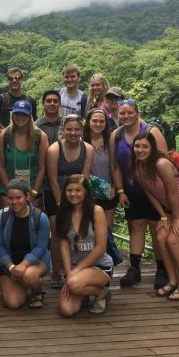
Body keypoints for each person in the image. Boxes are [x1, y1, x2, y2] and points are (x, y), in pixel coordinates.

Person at [132, 129, 179, 301]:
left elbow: (172, 192)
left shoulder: (161, 164)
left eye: (145, 147)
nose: (140, 150)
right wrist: (163, 217)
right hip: (171, 207)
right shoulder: (137, 166)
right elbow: (150, 192)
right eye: (137, 146)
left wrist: (175, 219)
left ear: (152, 148)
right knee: (160, 237)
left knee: (173, 240)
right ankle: (172, 280)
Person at [110, 99, 169, 290]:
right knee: (135, 227)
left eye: (129, 113)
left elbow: (164, 161)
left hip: (154, 190)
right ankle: (134, 268)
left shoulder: (151, 132)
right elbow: (115, 166)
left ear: (137, 113)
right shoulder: (116, 135)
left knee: (155, 228)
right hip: (131, 191)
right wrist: (120, 190)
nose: (125, 116)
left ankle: (162, 268)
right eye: (122, 113)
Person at [45, 114, 94, 288]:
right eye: (69, 129)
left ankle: (74, 270)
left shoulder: (87, 148)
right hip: (56, 194)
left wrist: (78, 201)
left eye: (76, 129)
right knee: (58, 234)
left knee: (79, 233)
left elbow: (85, 177)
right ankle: (56, 272)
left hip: (78, 194)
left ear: (81, 130)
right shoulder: (54, 149)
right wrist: (61, 204)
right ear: (63, 130)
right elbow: (52, 178)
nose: (73, 133)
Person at [54, 174, 113, 317]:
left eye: (78, 190)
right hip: (75, 269)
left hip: (99, 266)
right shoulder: (63, 212)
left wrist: (74, 274)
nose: (73, 194)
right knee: (66, 310)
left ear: (86, 191)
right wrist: (69, 273)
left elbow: (100, 248)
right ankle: (83, 290)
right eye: (69, 190)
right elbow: (64, 244)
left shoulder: (96, 211)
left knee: (74, 284)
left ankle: (101, 293)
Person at [0, 179, 51, 309]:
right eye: (11, 198)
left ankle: (36, 290)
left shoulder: (40, 218)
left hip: (36, 261)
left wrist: (24, 264)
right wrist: (11, 267)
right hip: (10, 263)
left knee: (29, 276)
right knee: (13, 303)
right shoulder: (0, 217)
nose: (14, 202)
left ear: (27, 196)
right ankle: (22, 283)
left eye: (19, 197)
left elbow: (41, 247)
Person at [0, 99, 48, 201]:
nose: (20, 117)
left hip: (33, 190)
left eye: (24, 114)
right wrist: (10, 191)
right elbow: (0, 166)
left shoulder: (40, 136)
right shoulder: (4, 136)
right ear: (12, 115)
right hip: (8, 192)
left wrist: (34, 193)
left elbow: (42, 167)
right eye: (17, 114)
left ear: (30, 116)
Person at [83, 108, 118, 227]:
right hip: (88, 192)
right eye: (95, 121)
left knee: (107, 227)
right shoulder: (81, 141)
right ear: (88, 122)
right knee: (90, 227)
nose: (98, 124)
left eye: (101, 121)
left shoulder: (111, 140)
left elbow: (116, 165)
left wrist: (115, 187)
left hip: (109, 191)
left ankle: (107, 246)